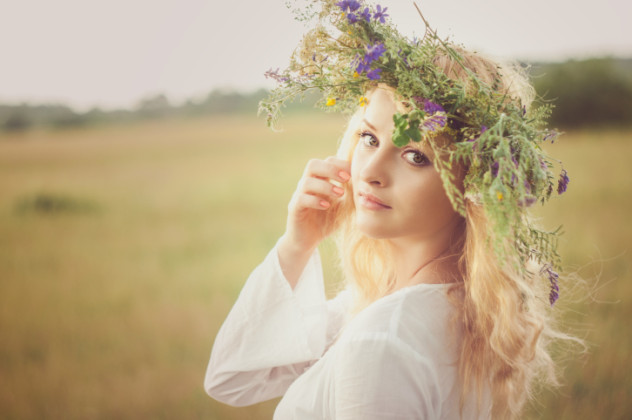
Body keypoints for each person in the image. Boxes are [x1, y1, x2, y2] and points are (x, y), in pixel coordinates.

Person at [205, 1, 573, 418]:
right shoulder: (451, 307)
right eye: (369, 138)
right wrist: (297, 244)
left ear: (471, 186)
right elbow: (233, 377)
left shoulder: (382, 341)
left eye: (416, 156)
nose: (372, 172)